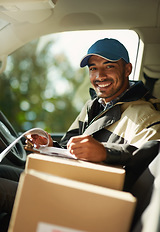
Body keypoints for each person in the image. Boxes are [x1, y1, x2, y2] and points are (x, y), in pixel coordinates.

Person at [0, 38, 160, 231]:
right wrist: (50, 145)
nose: (99, 75)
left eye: (108, 66)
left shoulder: (145, 113)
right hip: (71, 178)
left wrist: (105, 152)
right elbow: (69, 146)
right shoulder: (94, 106)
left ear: (127, 69)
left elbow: (151, 156)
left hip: (91, 195)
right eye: (93, 68)